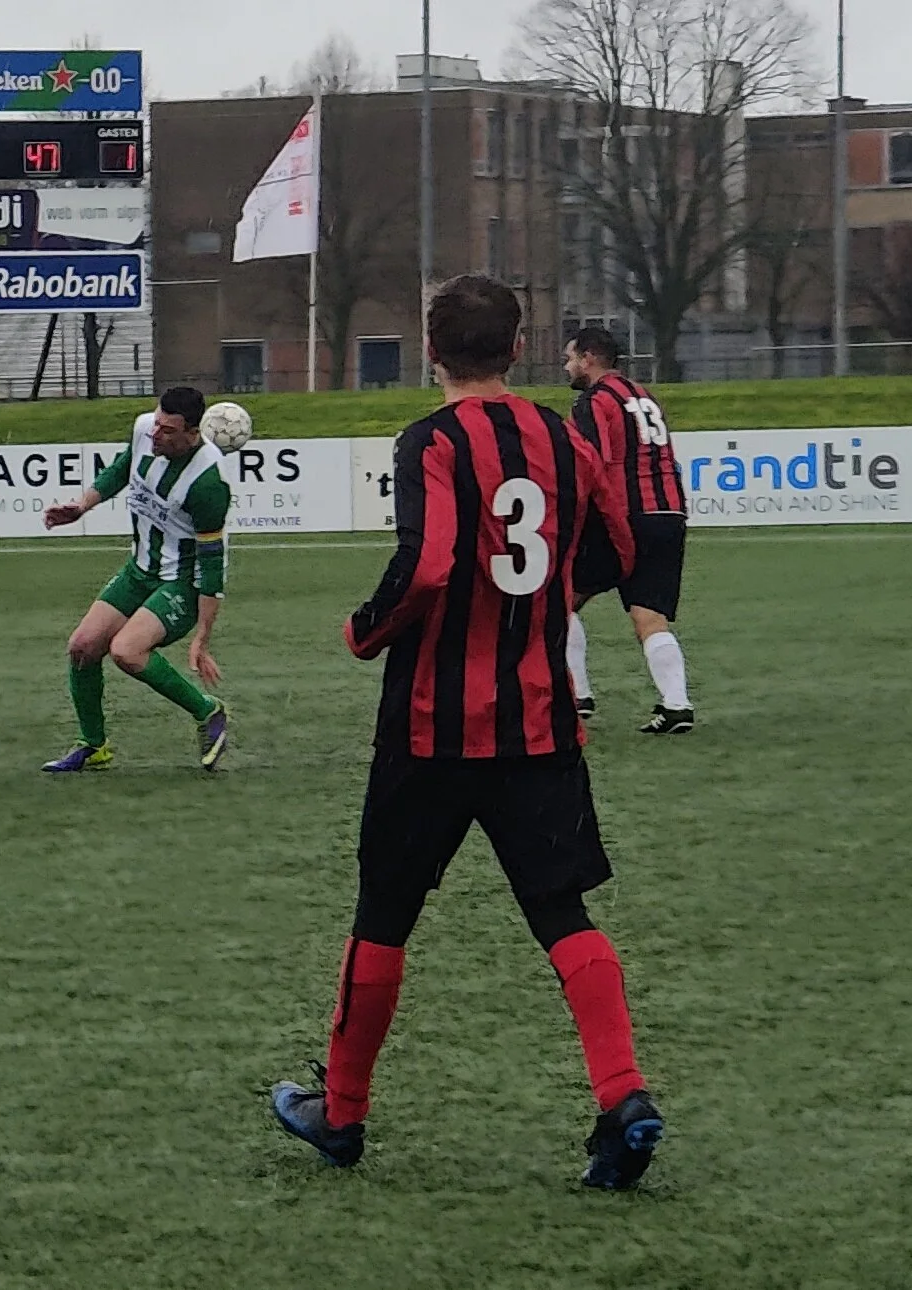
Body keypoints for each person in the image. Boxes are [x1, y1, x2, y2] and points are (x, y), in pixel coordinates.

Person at [267, 275, 664, 1190]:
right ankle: (623, 1096)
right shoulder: (565, 437)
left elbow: (430, 565)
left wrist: (366, 630)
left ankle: (343, 1113)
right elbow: (620, 544)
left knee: (384, 914)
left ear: (430, 351)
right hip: (540, 722)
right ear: (518, 348)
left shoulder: (431, 441)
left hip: (430, 728)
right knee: (562, 913)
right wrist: (550, 600)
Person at [41, 386, 231, 772]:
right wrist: (82, 506)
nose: (155, 434)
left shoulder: (208, 482)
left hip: (181, 582)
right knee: (82, 647)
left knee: (127, 651)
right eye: (156, 423)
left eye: (167, 430)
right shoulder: (145, 429)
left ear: (192, 433)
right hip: (139, 569)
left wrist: (202, 636)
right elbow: (122, 469)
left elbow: (212, 563)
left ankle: (207, 711)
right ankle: (94, 745)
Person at [562, 327, 695, 733]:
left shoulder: (594, 401)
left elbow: (592, 462)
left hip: (622, 517)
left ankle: (577, 696)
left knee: (556, 599)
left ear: (588, 358)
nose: (566, 367)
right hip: (668, 513)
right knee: (650, 616)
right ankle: (677, 705)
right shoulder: (644, 395)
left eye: (570, 358)